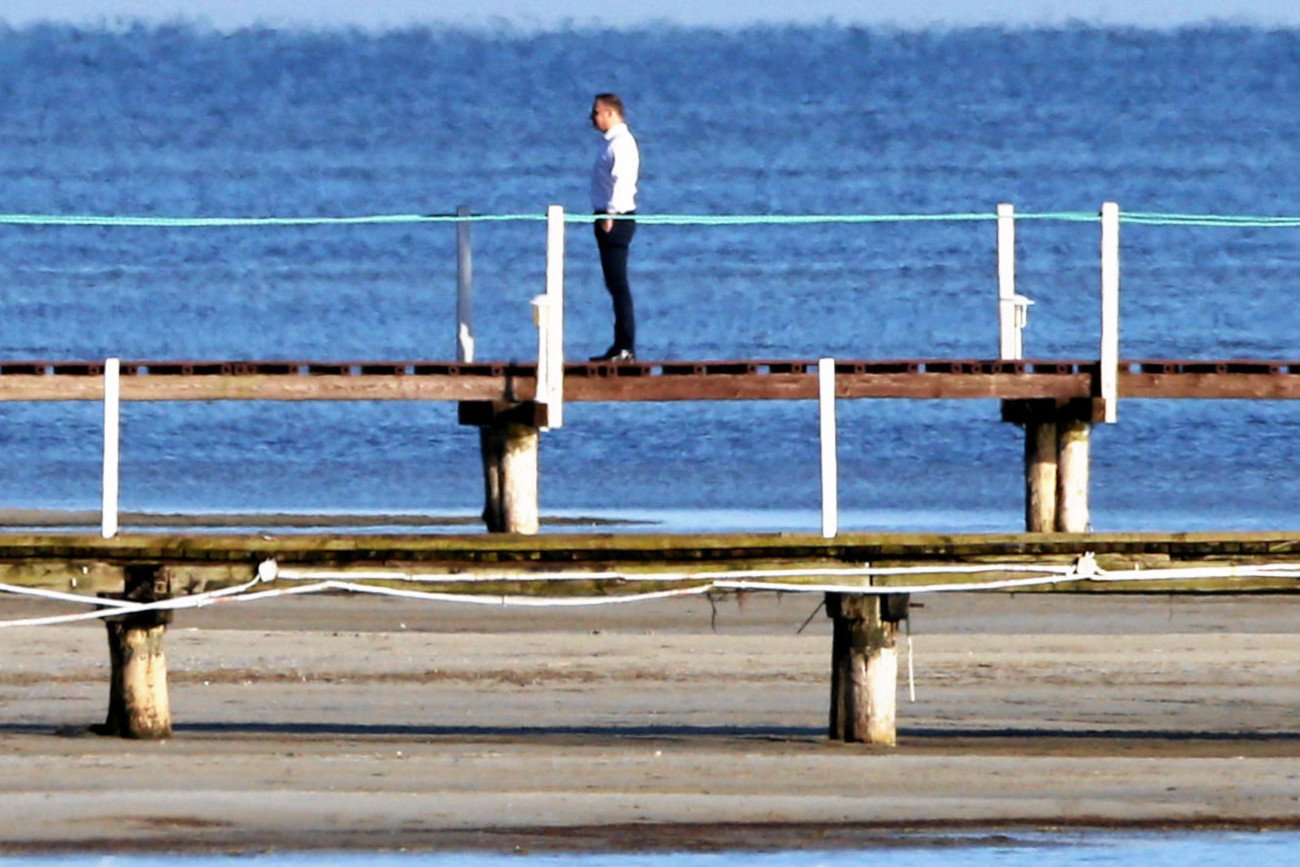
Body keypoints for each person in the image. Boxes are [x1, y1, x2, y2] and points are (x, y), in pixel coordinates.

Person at [588, 93, 640, 362]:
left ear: (610, 113)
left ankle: (625, 347)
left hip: (615, 218)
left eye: (596, 112)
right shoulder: (609, 143)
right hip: (605, 215)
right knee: (613, 283)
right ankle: (620, 343)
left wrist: (611, 213)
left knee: (618, 283)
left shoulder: (621, 143)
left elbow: (622, 181)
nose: (592, 118)